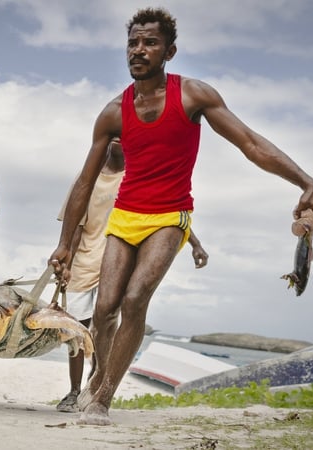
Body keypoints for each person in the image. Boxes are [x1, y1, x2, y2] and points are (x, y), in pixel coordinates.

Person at [49, 7, 313, 426]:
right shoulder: (112, 112)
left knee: (134, 299)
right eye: (133, 42)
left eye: (150, 42)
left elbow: (249, 142)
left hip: (170, 216)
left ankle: (103, 397)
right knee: (104, 308)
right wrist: (64, 245)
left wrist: (305, 180)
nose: (139, 50)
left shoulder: (193, 95)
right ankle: (98, 376)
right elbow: (84, 184)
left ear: (170, 51)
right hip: (124, 216)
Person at [54, 138, 208, 413]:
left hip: (117, 259)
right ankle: (76, 389)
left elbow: (165, 214)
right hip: (83, 261)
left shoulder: (139, 175)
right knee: (77, 331)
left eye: (124, 133)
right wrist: (67, 258)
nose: (117, 137)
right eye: (113, 132)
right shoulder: (87, 176)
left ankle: (97, 378)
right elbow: (75, 221)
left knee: (106, 319)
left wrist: (194, 243)